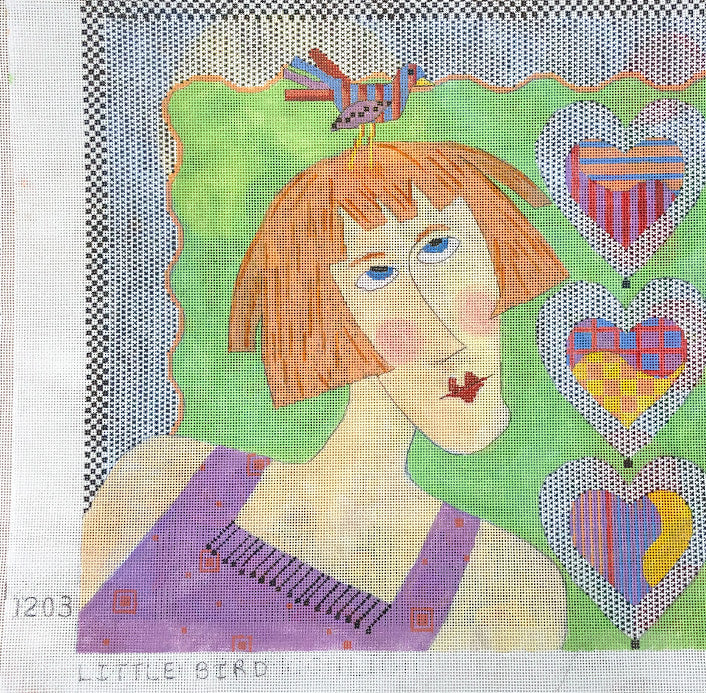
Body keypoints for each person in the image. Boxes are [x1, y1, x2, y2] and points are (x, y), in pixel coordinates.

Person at [79, 142, 569, 652]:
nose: (443, 334)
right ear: (325, 314)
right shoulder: (164, 486)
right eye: (377, 274)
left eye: (439, 246)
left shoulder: (509, 587)